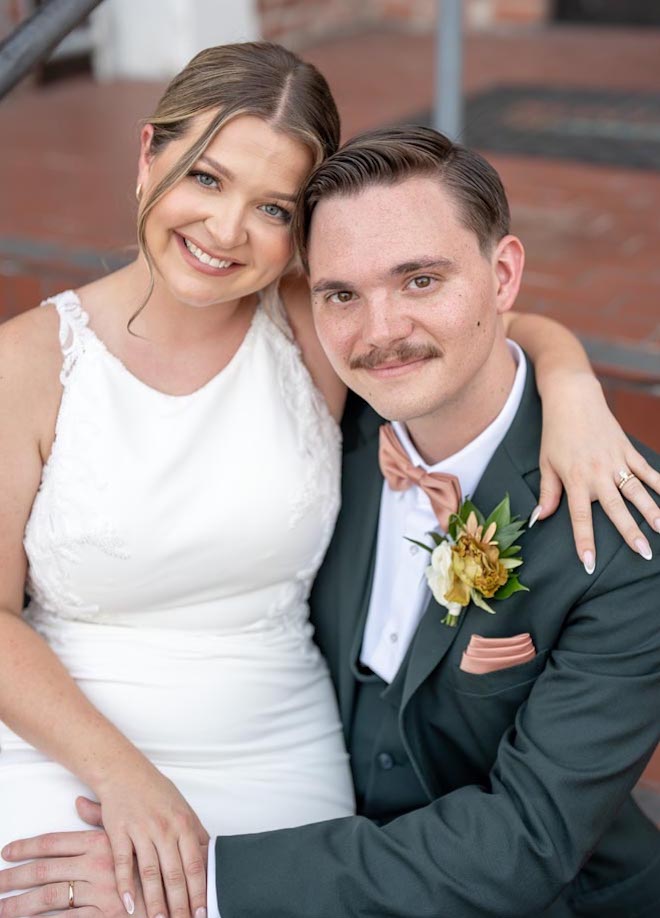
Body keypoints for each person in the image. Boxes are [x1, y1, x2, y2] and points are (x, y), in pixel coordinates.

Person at [1, 56, 659, 918]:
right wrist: (127, 779)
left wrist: (570, 387)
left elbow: (460, 324)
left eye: (272, 208)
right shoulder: (36, 362)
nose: (228, 230)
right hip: (81, 755)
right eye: (205, 175)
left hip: (312, 781)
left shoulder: (316, 336)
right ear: (147, 155)